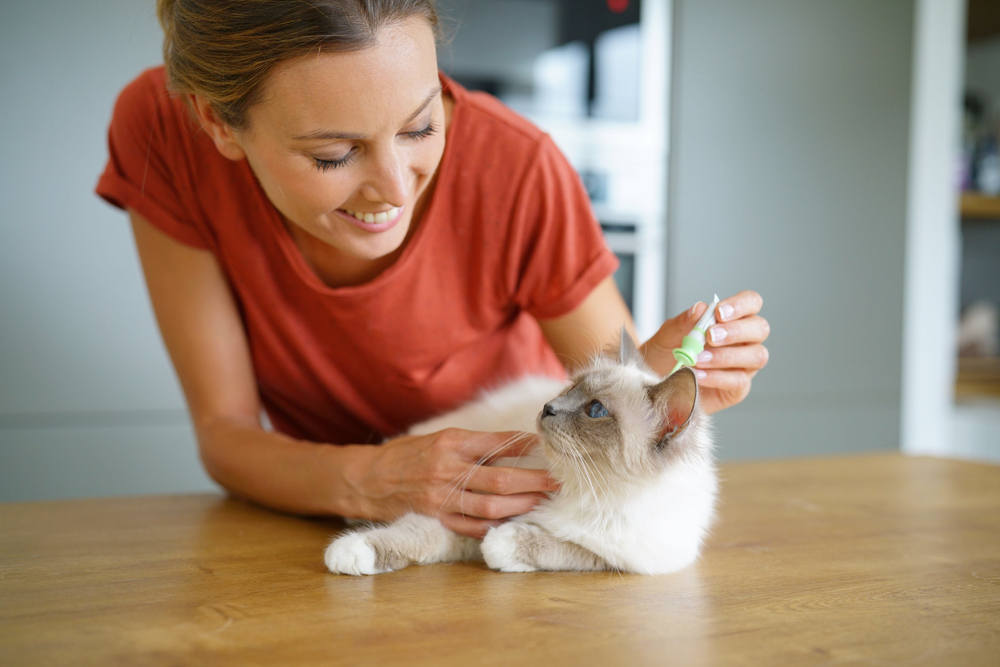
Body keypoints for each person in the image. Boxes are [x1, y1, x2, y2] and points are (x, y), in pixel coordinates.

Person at [96, 0, 769, 539]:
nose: (393, 188)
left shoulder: (517, 169)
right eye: (334, 154)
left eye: (420, 127)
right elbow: (225, 435)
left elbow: (629, 392)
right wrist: (371, 478)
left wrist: (658, 388)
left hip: (502, 531)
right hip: (309, 532)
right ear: (217, 124)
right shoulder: (162, 127)